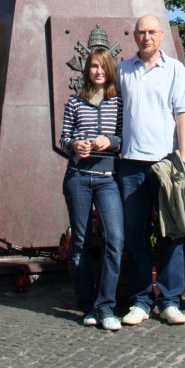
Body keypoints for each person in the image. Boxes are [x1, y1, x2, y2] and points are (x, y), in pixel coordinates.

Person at [117, 15, 185, 326]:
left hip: (165, 164)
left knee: (171, 233)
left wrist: (183, 160)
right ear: (134, 36)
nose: (146, 37)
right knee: (135, 234)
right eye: (141, 32)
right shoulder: (123, 70)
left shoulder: (175, 69)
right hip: (131, 164)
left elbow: (183, 114)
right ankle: (140, 300)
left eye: (152, 32)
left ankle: (170, 299)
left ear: (161, 35)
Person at [59, 47, 124, 331]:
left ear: (110, 70)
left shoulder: (119, 103)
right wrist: (75, 145)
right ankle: (86, 305)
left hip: (108, 179)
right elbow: (63, 139)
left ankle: (106, 305)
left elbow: (125, 137)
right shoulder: (75, 102)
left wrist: (110, 141)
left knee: (115, 239)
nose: (98, 72)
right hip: (78, 177)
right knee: (81, 244)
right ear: (87, 70)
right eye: (94, 67)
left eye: (103, 67)